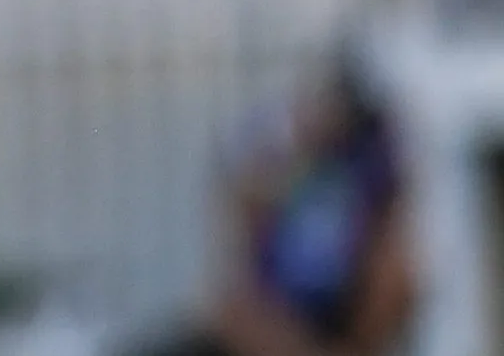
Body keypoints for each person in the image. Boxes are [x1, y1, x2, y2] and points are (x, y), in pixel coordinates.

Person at [135, 50, 414, 356]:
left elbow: (392, 281)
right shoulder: (280, 165)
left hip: (332, 320)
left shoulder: (370, 172)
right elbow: (235, 290)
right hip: (275, 320)